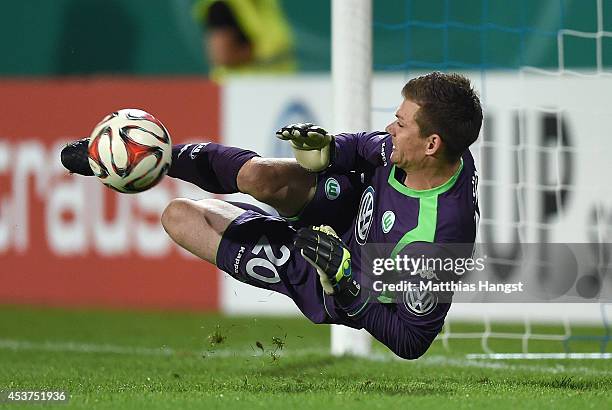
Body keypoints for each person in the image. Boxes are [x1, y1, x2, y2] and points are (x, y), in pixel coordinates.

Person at [60, 72, 482, 359]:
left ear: (431, 145)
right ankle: (146, 155)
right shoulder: (409, 150)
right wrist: (330, 148)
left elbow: (411, 341)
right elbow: (362, 147)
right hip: (350, 203)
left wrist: (346, 284)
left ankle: (141, 161)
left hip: (341, 278)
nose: (390, 127)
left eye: (401, 123)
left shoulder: (439, 238)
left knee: (178, 217)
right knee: (262, 177)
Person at [193, 0, 296, 82]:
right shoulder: (221, 5)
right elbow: (222, 55)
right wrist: (259, 52)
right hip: (237, 94)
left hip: (275, 91)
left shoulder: (266, 3)